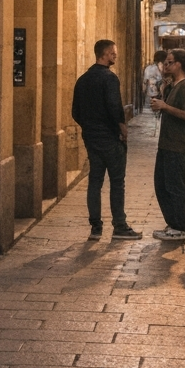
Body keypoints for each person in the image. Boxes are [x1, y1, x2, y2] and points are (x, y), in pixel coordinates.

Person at [71, 39, 142, 240]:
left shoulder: (82, 80)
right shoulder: (109, 79)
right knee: (117, 182)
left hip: (91, 138)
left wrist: (89, 127)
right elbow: (114, 107)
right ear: (104, 54)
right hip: (110, 138)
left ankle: (95, 228)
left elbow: (75, 111)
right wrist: (122, 128)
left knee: (95, 181)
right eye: (113, 53)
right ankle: (119, 225)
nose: (115, 55)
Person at [150, 49, 185, 241]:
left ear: (179, 64)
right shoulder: (172, 85)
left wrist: (165, 107)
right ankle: (172, 224)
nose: (165, 66)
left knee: (175, 186)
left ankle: (179, 227)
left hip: (178, 144)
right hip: (166, 143)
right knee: (161, 185)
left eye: (169, 62)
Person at [140, 50, 167, 114]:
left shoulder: (148, 68)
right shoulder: (160, 69)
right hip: (157, 96)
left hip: (148, 96)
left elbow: (144, 84)